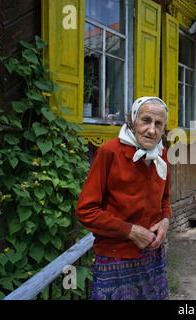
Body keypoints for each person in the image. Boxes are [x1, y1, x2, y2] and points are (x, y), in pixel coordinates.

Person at [75, 96, 172, 300]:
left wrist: (164, 222)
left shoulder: (161, 154)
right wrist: (130, 231)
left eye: (159, 124)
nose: (152, 130)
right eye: (146, 120)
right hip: (116, 257)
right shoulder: (109, 152)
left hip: (152, 255)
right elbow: (86, 211)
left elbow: (165, 199)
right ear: (132, 120)